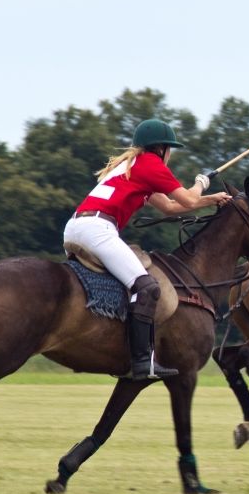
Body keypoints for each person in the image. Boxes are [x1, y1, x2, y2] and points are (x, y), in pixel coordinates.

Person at [64, 119, 231, 380]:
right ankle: (142, 361)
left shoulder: (131, 166)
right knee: (147, 287)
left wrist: (211, 200)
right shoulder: (151, 164)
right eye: (170, 149)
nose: (170, 155)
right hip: (98, 229)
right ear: (161, 148)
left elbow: (170, 208)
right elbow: (187, 198)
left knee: (125, 284)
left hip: (77, 226)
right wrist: (201, 184)